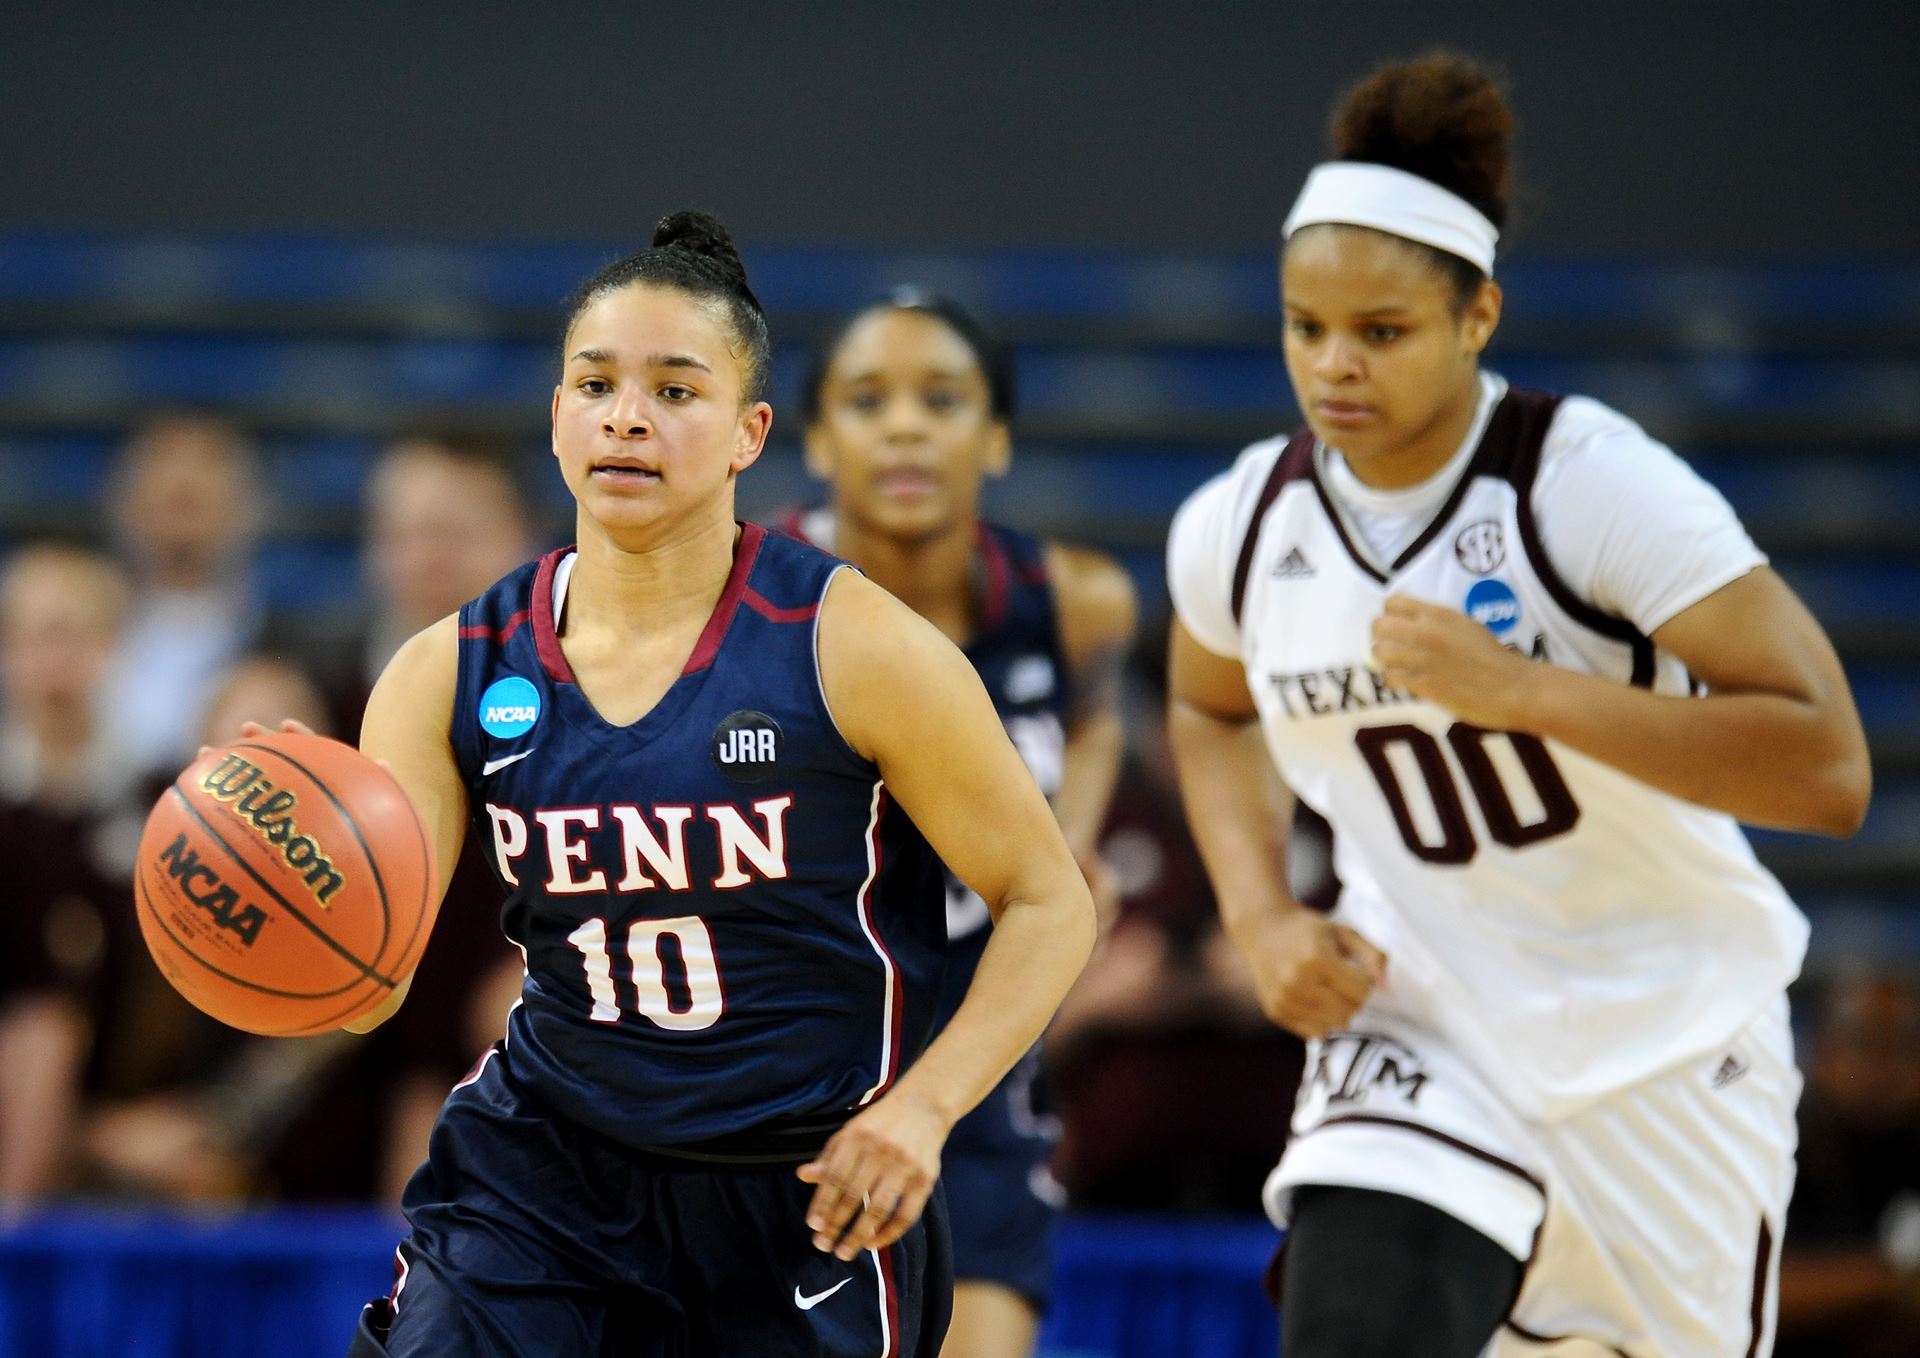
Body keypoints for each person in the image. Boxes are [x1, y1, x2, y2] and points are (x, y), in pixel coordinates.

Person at [1165, 55, 1870, 1358]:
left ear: (1477, 315)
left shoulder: (1590, 485)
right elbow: (1207, 709)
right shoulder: (1242, 524)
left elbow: (1828, 765)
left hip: (1665, 1038)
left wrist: (1525, 692)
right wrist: (1261, 913)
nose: (1334, 366)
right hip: (1422, 1019)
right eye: (1304, 325)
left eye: (1382, 331)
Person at [312, 212, 1095, 1358]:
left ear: (748, 432)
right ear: (557, 413)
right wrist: (292, 849)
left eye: (676, 390)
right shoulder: (450, 666)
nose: (627, 414)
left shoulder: (852, 643)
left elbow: (1050, 899)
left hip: (803, 1181)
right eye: (596, 382)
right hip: (546, 1167)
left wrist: (923, 1111)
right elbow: (367, 989)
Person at [789, 292, 1137, 1357]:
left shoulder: (1075, 600)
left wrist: (1067, 839)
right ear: (811, 439)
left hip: (973, 1076)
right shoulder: (745, 595)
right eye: (867, 399)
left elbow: (1094, 726)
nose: (904, 425)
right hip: (785, 1063)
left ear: (994, 437)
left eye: (942, 399)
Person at [101, 411, 268, 780]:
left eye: (208, 466)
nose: (183, 481)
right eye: (163, 465)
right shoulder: (83, 639)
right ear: (127, 506)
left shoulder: (287, 650)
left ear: (244, 508)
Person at [1776, 973, 1920, 1357]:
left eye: (1906, 1047)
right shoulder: (1778, 1147)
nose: (1882, 1067)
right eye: (1862, 1043)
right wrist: (1892, 1283)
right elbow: (1747, 1297)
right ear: (1820, 1053)